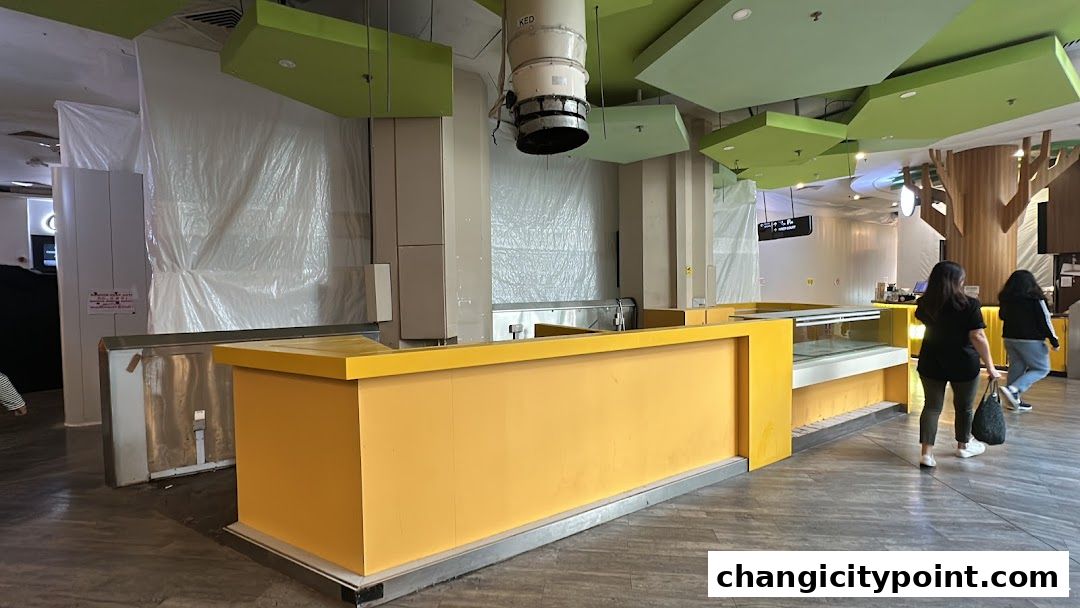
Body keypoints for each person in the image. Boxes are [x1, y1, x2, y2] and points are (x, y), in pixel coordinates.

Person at [915, 261, 1001, 468]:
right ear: (958, 281)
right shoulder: (970, 304)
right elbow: (978, 336)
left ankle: (926, 454)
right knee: (964, 407)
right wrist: (990, 366)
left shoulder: (925, 303)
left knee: (932, 407)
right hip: (963, 362)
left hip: (931, 360)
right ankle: (963, 446)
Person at [998, 270, 1059, 412]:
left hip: (1009, 338)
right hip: (1030, 340)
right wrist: (1054, 340)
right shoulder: (1035, 298)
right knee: (1042, 368)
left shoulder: (1006, 298)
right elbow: (1045, 320)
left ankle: (1013, 402)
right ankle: (1013, 390)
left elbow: (1002, 316)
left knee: (1016, 367)